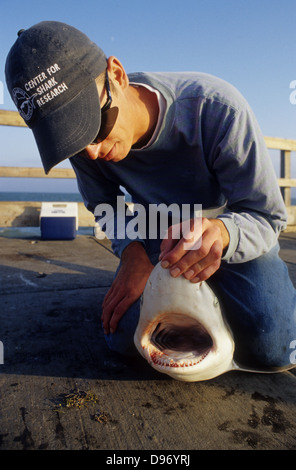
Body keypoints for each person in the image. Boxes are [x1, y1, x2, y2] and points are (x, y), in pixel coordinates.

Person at [5, 21, 296, 371]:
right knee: (124, 340)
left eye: (93, 126)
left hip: (230, 237)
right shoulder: (86, 149)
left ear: (117, 74)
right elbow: (105, 206)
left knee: (275, 348)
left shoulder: (217, 109)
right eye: (72, 141)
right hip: (157, 240)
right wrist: (131, 253)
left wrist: (223, 234)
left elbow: (266, 215)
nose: (92, 153)